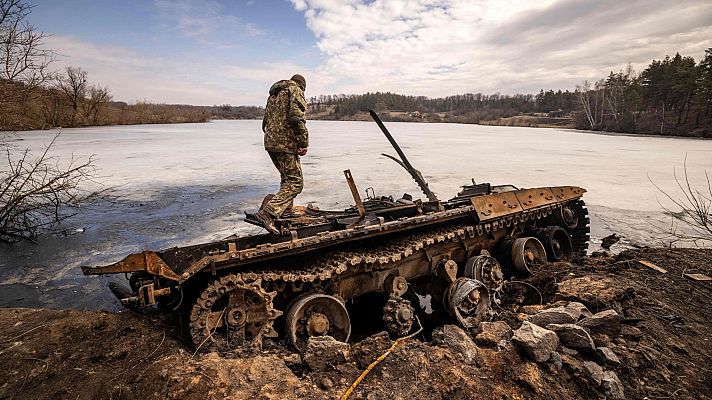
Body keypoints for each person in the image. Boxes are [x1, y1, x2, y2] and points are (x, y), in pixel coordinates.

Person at [255, 74, 309, 234]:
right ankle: (268, 213)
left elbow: (265, 122)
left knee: (286, 177)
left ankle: (284, 210)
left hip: (270, 141)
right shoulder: (295, 90)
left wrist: (272, 137)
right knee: (295, 182)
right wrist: (303, 142)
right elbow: (296, 117)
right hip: (285, 142)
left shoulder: (274, 94)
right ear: (302, 86)